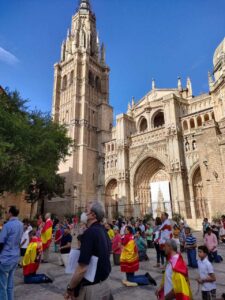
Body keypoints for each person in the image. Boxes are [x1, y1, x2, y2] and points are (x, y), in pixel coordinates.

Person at [64, 201, 113, 300]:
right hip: (104, 283)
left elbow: (82, 268)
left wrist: (70, 287)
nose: (83, 213)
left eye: (86, 210)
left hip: (92, 289)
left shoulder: (90, 233)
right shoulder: (103, 230)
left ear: (93, 215)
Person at [0, 206, 23, 300]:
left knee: (2, 286)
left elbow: (1, 242)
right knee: (10, 284)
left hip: (6, 258)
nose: (6, 214)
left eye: (6, 212)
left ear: (10, 213)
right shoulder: (21, 224)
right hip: (15, 257)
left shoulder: (7, 225)